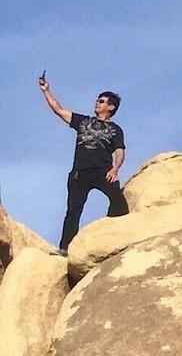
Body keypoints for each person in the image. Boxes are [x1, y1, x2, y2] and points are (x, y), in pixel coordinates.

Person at [38, 72, 128, 253]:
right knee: (73, 211)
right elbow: (59, 110)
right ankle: (65, 249)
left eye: (102, 101)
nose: (98, 102)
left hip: (104, 171)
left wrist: (115, 169)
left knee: (120, 204)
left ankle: (113, 235)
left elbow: (120, 151)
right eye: (98, 100)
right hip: (80, 173)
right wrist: (46, 91)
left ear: (111, 107)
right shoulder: (83, 121)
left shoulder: (115, 129)